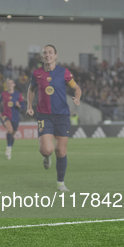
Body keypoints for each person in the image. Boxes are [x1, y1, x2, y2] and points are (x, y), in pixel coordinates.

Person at [27, 45, 81, 192]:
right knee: (47, 149)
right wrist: (29, 106)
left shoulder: (64, 72)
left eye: (50, 52)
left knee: (61, 151)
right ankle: (46, 156)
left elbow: (77, 88)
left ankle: (60, 183)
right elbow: (31, 89)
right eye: (45, 53)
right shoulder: (36, 73)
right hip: (44, 115)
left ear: (55, 56)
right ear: (43, 56)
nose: (47, 55)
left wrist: (77, 98)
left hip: (62, 116)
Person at [0, 79, 24, 160]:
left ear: (14, 85)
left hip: (15, 117)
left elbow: (23, 105)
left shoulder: (18, 94)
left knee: (12, 134)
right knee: (10, 129)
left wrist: (19, 105)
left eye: (11, 83)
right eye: (8, 83)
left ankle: (10, 147)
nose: (9, 85)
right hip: (5, 116)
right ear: (6, 85)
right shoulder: (3, 94)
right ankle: (8, 148)